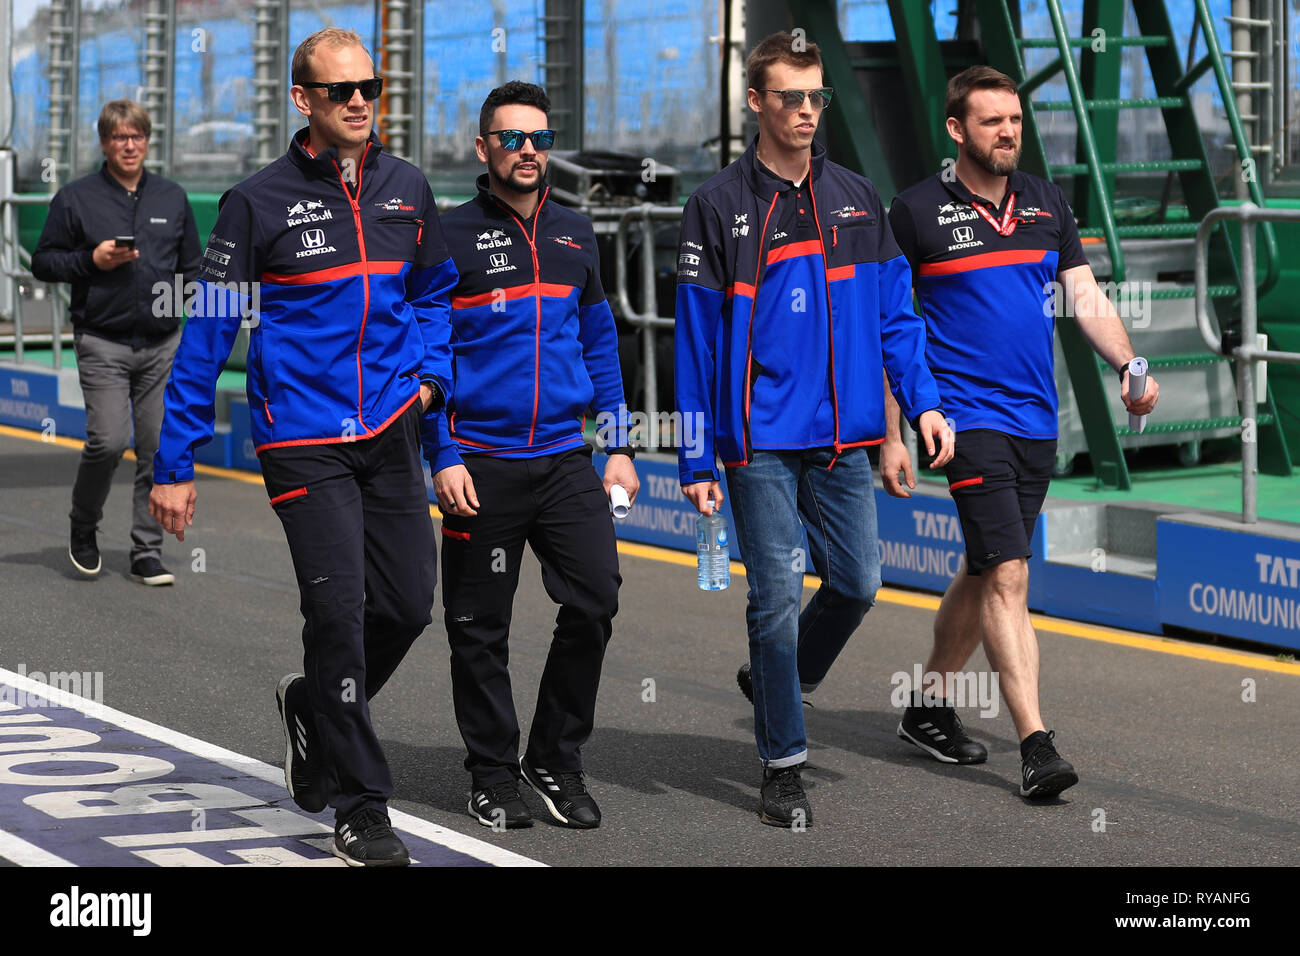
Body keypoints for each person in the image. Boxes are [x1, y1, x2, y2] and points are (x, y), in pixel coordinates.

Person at [149, 27, 456, 865]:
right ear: (303, 101)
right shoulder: (257, 202)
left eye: (371, 86)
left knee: (405, 607)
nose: (360, 101)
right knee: (338, 613)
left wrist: (430, 381)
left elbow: (434, 297)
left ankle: (315, 708)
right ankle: (362, 804)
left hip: (392, 429)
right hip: (304, 441)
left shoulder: (409, 190)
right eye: (340, 90)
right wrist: (174, 466)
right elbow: (206, 337)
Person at [674, 32, 952, 828]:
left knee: (859, 582)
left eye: (816, 97)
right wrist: (697, 454)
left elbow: (897, 317)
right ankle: (782, 764)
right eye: (790, 97)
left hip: (844, 439)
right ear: (755, 102)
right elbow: (695, 346)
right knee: (771, 600)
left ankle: (774, 682)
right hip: (757, 441)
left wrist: (920, 406)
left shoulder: (860, 199)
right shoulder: (716, 206)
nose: (806, 111)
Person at [884, 65, 1159, 798]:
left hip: (1035, 421)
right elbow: (888, 325)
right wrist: (893, 431)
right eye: (991, 121)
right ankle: (1037, 744)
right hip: (962, 420)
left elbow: (1084, 294)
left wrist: (1130, 363)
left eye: (1014, 119)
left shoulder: (1045, 202)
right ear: (956, 130)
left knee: (982, 566)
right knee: (1009, 573)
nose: (1008, 131)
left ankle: (929, 705)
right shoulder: (913, 212)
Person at [426, 80, 637, 831]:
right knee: (479, 627)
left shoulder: (577, 234)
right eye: (511, 138)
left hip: (563, 461)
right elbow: (426, 354)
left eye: (539, 140)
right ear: (482, 146)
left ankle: (552, 757)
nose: (526, 151)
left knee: (595, 597)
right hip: (478, 463)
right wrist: (441, 452)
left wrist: (616, 441)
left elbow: (601, 341)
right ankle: (491, 772)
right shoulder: (444, 237)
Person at [31, 100, 200, 586]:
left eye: (138, 137)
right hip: (101, 340)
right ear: (104, 143)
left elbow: (192, 268)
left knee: (155, 448)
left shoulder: (172, 196)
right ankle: (83, 527)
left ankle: (146, 551)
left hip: (160, 343)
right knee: (108, 441)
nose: (130, 145)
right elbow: (44, 262)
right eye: (120, 137)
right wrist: (91, 260)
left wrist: (189, 316)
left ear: (148, 141)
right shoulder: (76, 197)